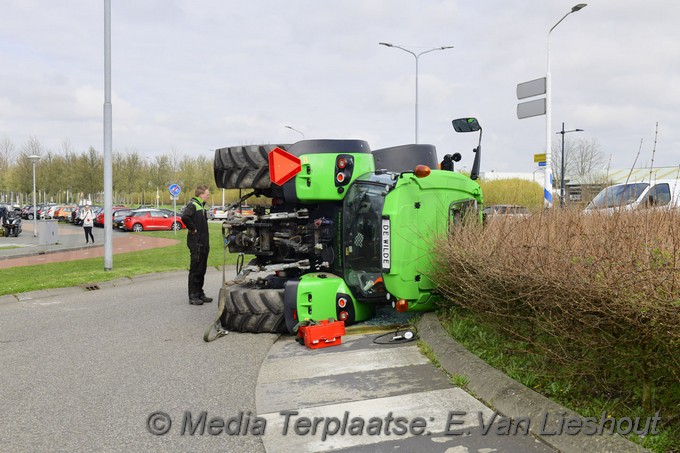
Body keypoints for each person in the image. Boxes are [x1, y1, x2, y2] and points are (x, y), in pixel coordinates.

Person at [181, 184, 212, 305]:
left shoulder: (201, 206)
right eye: (207, 194)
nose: (208, 196)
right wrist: (192, 229)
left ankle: (200, 293)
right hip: (196, 242)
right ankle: (193, 296)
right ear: (201, 194)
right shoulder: (193, 205)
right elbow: (185, 217)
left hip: (203, 242)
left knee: (202, 269)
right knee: (196, 269)